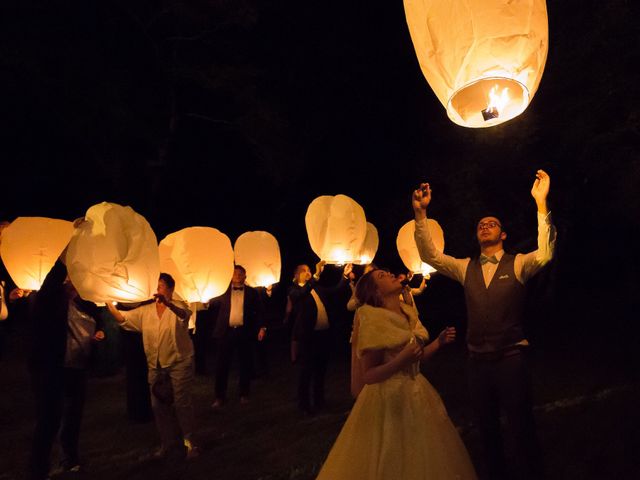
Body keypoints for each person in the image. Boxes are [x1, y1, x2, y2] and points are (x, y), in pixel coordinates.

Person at [412, 169, 556, 479]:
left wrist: (540, 203)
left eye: (492, 224)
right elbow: (431, 255)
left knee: (521, 425)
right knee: (486, 428)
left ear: (503, 235)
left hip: (510, 359)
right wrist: (420, 214)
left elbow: (546, 252)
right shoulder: (466, 268)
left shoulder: (518, 262)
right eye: (480, 225)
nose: (485, 226)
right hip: (477, 362)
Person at [316, 269, 477, 480]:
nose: (391, 275)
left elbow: (416, 358)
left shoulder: (407, 312)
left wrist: (438, 342)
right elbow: (369, 375)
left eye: (388, 273)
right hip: (390, 399)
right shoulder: (373, 319)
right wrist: (402, 359)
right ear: (374, 291)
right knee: (393, 451)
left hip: (417, 392)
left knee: (423, 451)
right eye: (382, 276)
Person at [106, 273, 200, 460]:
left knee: (182, 403)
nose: (157, 289)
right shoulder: (145, 311)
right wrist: (107, 299)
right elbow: (123, 318)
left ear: (171, 289)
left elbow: (184, 315)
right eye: (155, 285)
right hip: (155, 365)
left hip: (179, 362)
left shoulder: (179, 306)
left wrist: (169, 303)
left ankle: (190, 443)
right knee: (158, 406)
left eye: (161, 285)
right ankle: (167, 443)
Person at [28, 256, 104, 479]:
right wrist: (65, 257)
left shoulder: (85, 304)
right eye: (70, 281)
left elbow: (95, 322)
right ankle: (38, 468)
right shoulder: (49, 302)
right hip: (52, 368)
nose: (74, 284)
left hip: (76, 368)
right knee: (49, 418)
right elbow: (51, 283)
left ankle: (69, 459)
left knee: (73, 416)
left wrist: (99, 333)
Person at [291, 263, 351, 415]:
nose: (308, 273)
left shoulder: (316, 288)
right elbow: (301, 295)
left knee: (321, 370)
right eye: (303, 271)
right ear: (296, 276)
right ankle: (303, 405)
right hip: (308, 337)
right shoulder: (295, 291)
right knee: (306, 371)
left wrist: (344, 276)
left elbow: (335, 291)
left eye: (309, 270)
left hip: (323, 335)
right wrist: (316, 276)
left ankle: (319, 401)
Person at [209, 265, 265, 408]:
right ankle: (220, 397)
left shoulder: (252, 293)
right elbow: (211, 304)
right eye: (235, 273)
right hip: (225, 332)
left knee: (245, 364)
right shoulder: (222, 291)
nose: (238, 276)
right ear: (231, 276)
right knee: (222, 365)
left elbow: (260, 311)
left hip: (244, 332)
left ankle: (244, 394)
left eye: (241, 273)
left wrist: (262, 327)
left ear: (245, 276)